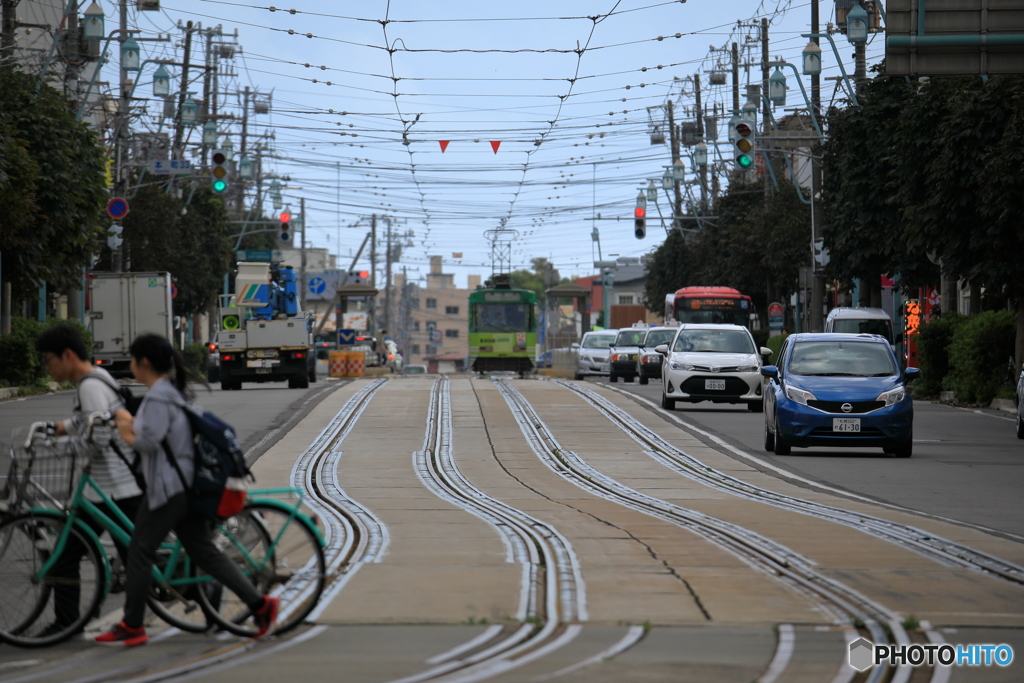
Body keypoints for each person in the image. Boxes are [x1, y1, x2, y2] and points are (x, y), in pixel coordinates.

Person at [98, 334, 278, 647]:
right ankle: (260, 605)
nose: (130, 366)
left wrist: (125, 427)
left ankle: (132, 624)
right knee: (204, 552)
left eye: (132, 360)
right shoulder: (172, 392)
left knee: (139, 552)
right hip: (185, 488)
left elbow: (147, 443)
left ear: (143, 363)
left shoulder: (158, 397)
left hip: (168, 491)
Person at [35, 323, 143, 636]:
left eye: (49, 359)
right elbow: (89, 422)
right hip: (110, 488)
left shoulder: (89, 387)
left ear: (67, 355)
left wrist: (57, 444)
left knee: (68, 557)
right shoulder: (95, 378)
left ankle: (68, 623)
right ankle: (71, 622)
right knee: (130, 556)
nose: (47, 366)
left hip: (112, 489)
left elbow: (99, 437)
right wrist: (59, 427)